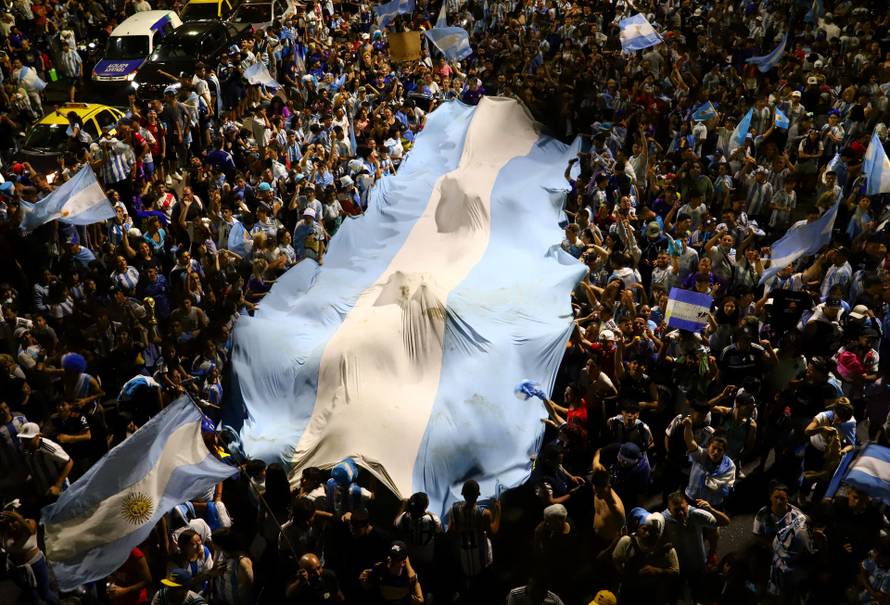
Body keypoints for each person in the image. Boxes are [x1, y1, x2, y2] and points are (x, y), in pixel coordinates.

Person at [360, 540, 424, 604]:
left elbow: (419, 597)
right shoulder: (379, 568)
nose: (390, 559)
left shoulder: (410, 576)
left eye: (395, 558)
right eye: (390, 555)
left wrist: (419, 600)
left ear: (403, 562)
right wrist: (363, 581)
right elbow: (367, 587)